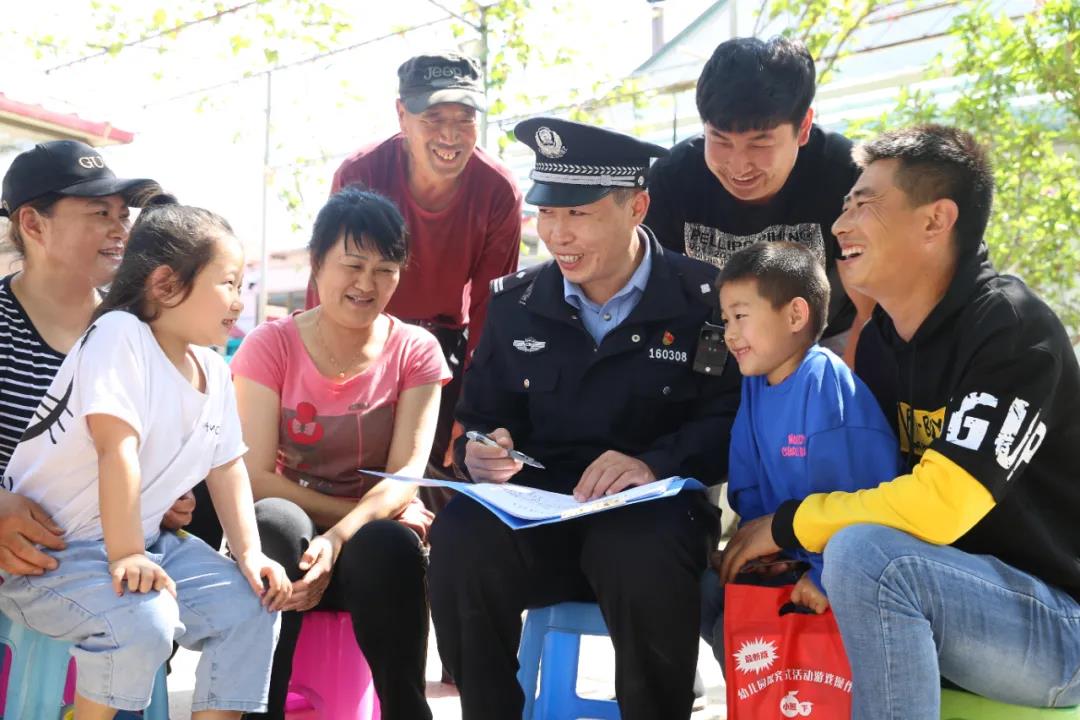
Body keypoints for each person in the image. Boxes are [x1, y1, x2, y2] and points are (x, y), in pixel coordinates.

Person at [719, 125, 1080, 718]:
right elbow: (872, 487)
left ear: (936, 220)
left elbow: (941, 506)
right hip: (937, 603)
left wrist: (787, 525)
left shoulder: (1011, 330)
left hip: (1058, 627)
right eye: (845, 205)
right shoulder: (885, 343)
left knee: (867, 556)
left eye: (864, 204)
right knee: (739, 574)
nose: (840, 225)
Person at [428, 117, 741, 720]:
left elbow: (730, 417)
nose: (558, 234)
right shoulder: (515, 303)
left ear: (637, 207)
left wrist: (653, 464)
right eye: (548, 213)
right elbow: (480, 416)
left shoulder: (705, 299)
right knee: (462, 534)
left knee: (639, 549)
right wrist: (481, 452)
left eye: (579, 213)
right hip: (540, 520)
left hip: (652, 520)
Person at [0, 203, 290, 719]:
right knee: (142, 621)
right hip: (49, 556)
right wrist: (128, 554)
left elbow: (227, 466)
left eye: (242, 285)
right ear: (165, 284)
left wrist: (249, 554)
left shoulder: (213, 369)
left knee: (252, 606)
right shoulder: (119, 334)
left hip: (149, 547)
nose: (238, 300)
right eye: (227, 283)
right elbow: (116, 449)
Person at [232, 187, 450, 720]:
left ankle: (406, 710)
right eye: (352, 265)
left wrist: (341, 536)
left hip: (377, 540)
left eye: (385, 270)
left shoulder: (416, 350)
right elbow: (255, 475)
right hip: (296, 541)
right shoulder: (270, 345)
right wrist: (326, 536)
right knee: (273, 521)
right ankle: (258, 710)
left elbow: (404, 477)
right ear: (317, 263)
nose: (366, 284)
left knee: (386, 545)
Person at [310, 51, 522, 482]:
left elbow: (492, 307)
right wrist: (318, 365)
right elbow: (330, 279)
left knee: (443, 472)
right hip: (361, 331)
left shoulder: (497, 188)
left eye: (465, 119)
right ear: (402, 116)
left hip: (443, 343)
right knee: (340, 466)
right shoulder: (361, 172)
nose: (450, 135)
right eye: (433, 118)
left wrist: (475, 406)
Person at [698, 240, 901, 664]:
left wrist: (825, 577)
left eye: (740, 316)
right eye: (725, 319)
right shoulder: (755, 382)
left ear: (794, 315)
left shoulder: (824, 385)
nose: (729, 333)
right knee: (700, 591)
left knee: (739, 635)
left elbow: (859, 507)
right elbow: (749, 486)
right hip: (789, 557)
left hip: (846, 572)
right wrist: (755, 554)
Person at [0, 140, 196, 576]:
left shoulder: (139, 326)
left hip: (120, 560)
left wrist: (160, 494)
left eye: (123, 215)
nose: (121, 230)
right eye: (100, 213)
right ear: (32, 224)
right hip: (25, 570)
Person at [644, 36, 872, 361]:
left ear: (803, 127)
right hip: (715, 339)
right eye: (720, 140)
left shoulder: (847, 175)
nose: (739, 166)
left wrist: (845, 380)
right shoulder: (673, 177)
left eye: (759, 144)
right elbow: (654, 287)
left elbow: (871, 299)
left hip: (826, 342)